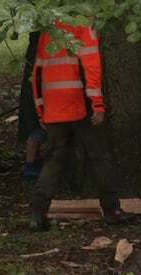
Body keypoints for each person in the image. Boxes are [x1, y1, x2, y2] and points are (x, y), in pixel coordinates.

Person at [29, 22, 128, 231]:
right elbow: (91, 65)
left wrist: (40, 109)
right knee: (99, 156)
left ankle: (37, 214)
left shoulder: (48, 27)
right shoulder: (83, 24)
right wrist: (97, 105)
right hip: (80, 106)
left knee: (55, 160)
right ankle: (112, 211)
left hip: (53, 107)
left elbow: (36, 72)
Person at [18, 32, 47, 179]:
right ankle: (30, 164)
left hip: (34, 92)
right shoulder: (38, 48)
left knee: (36, 128)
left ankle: (34, 160)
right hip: (35, 94)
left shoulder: (35, 48)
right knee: (35, 129)